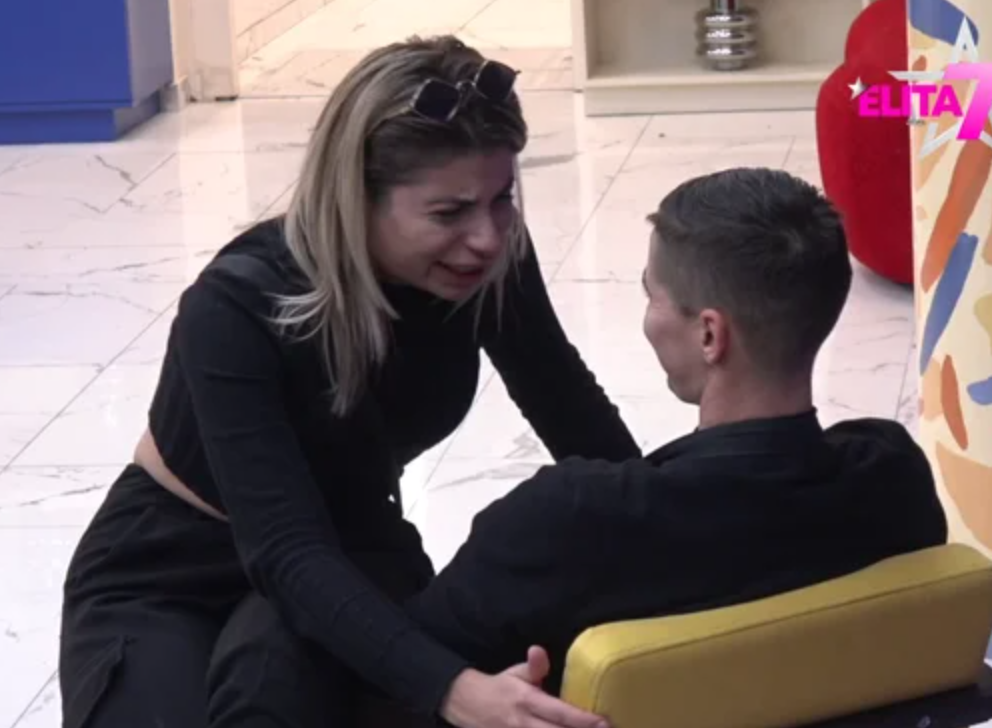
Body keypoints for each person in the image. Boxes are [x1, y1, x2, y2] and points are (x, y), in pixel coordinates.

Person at [226, 167, 950, 725]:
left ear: (709, 334)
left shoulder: (563, 524)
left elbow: (389, 677)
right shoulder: (891, 480)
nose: (647, 318)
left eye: (651, 295)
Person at [58, 35, 641, 728]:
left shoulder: (490, 259)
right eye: (449, 212)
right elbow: (284, 548)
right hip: (168, 566)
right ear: (354, 199)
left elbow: (567, 406)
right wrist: (456, 688)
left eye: (501, 199)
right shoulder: (235, 305)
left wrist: (679, 524)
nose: (487, 236)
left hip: (351, 545)